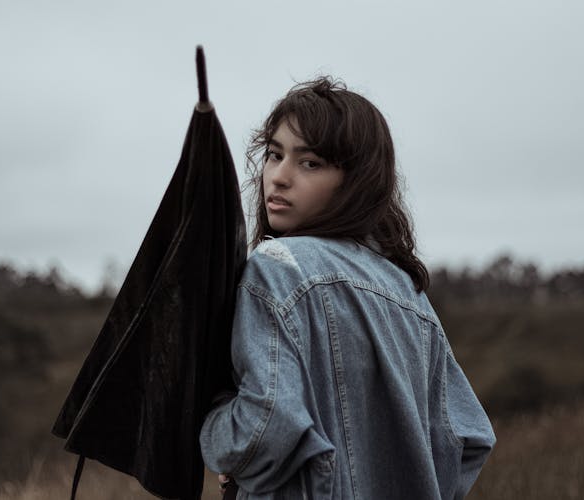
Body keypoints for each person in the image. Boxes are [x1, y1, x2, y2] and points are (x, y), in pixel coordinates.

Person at [199, 76, 495, 499]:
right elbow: (469, 439)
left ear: (356, 181)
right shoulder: (410, 295)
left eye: (310, 163)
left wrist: (214, 424)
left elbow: (264, 428)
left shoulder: (276, 267)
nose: (278, 178)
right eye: (274, 154)